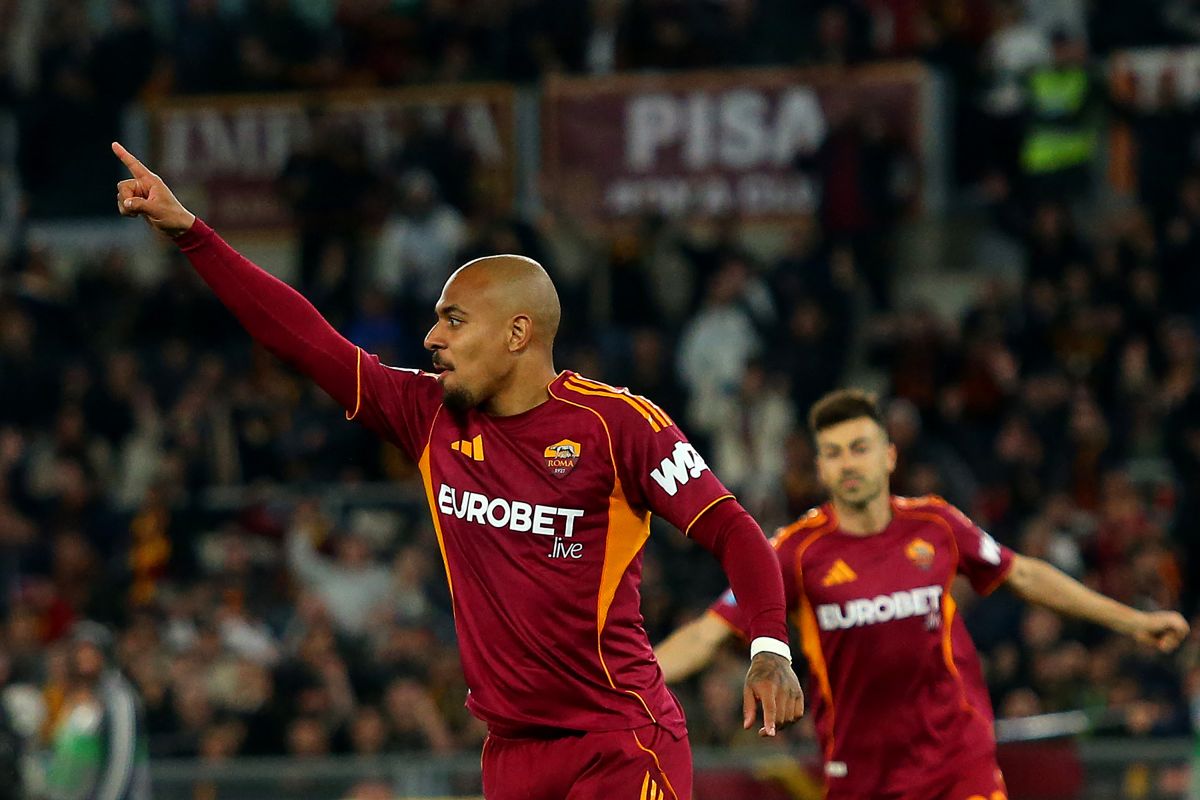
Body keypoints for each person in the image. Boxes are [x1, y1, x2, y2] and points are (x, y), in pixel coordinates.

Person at [110, 142, 803, 799]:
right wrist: (191, 233)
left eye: (454, 320)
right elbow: (305, 341)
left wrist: (769, 647)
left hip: (620, 743)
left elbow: (734, 531)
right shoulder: (427, 415)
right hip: (510, 756)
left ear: (517, 332)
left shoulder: (617, 425)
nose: (431, 338)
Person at [655, 388, 1191, 800]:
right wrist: (628, 683)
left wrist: (1134, 621)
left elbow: (1024, 574)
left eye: (860, 448)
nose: (848, 463)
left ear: (889, 456)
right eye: (834, 453)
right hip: (860, 776)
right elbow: (708, 633)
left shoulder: (936, 525)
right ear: (820, 467)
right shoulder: (794, 551)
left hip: (958, 764)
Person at [45, 622, 150, 800]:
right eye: (80, 650)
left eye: (92, 650)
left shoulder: (119, 696)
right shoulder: (72, 694)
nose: (85, 657)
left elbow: (121, 761)